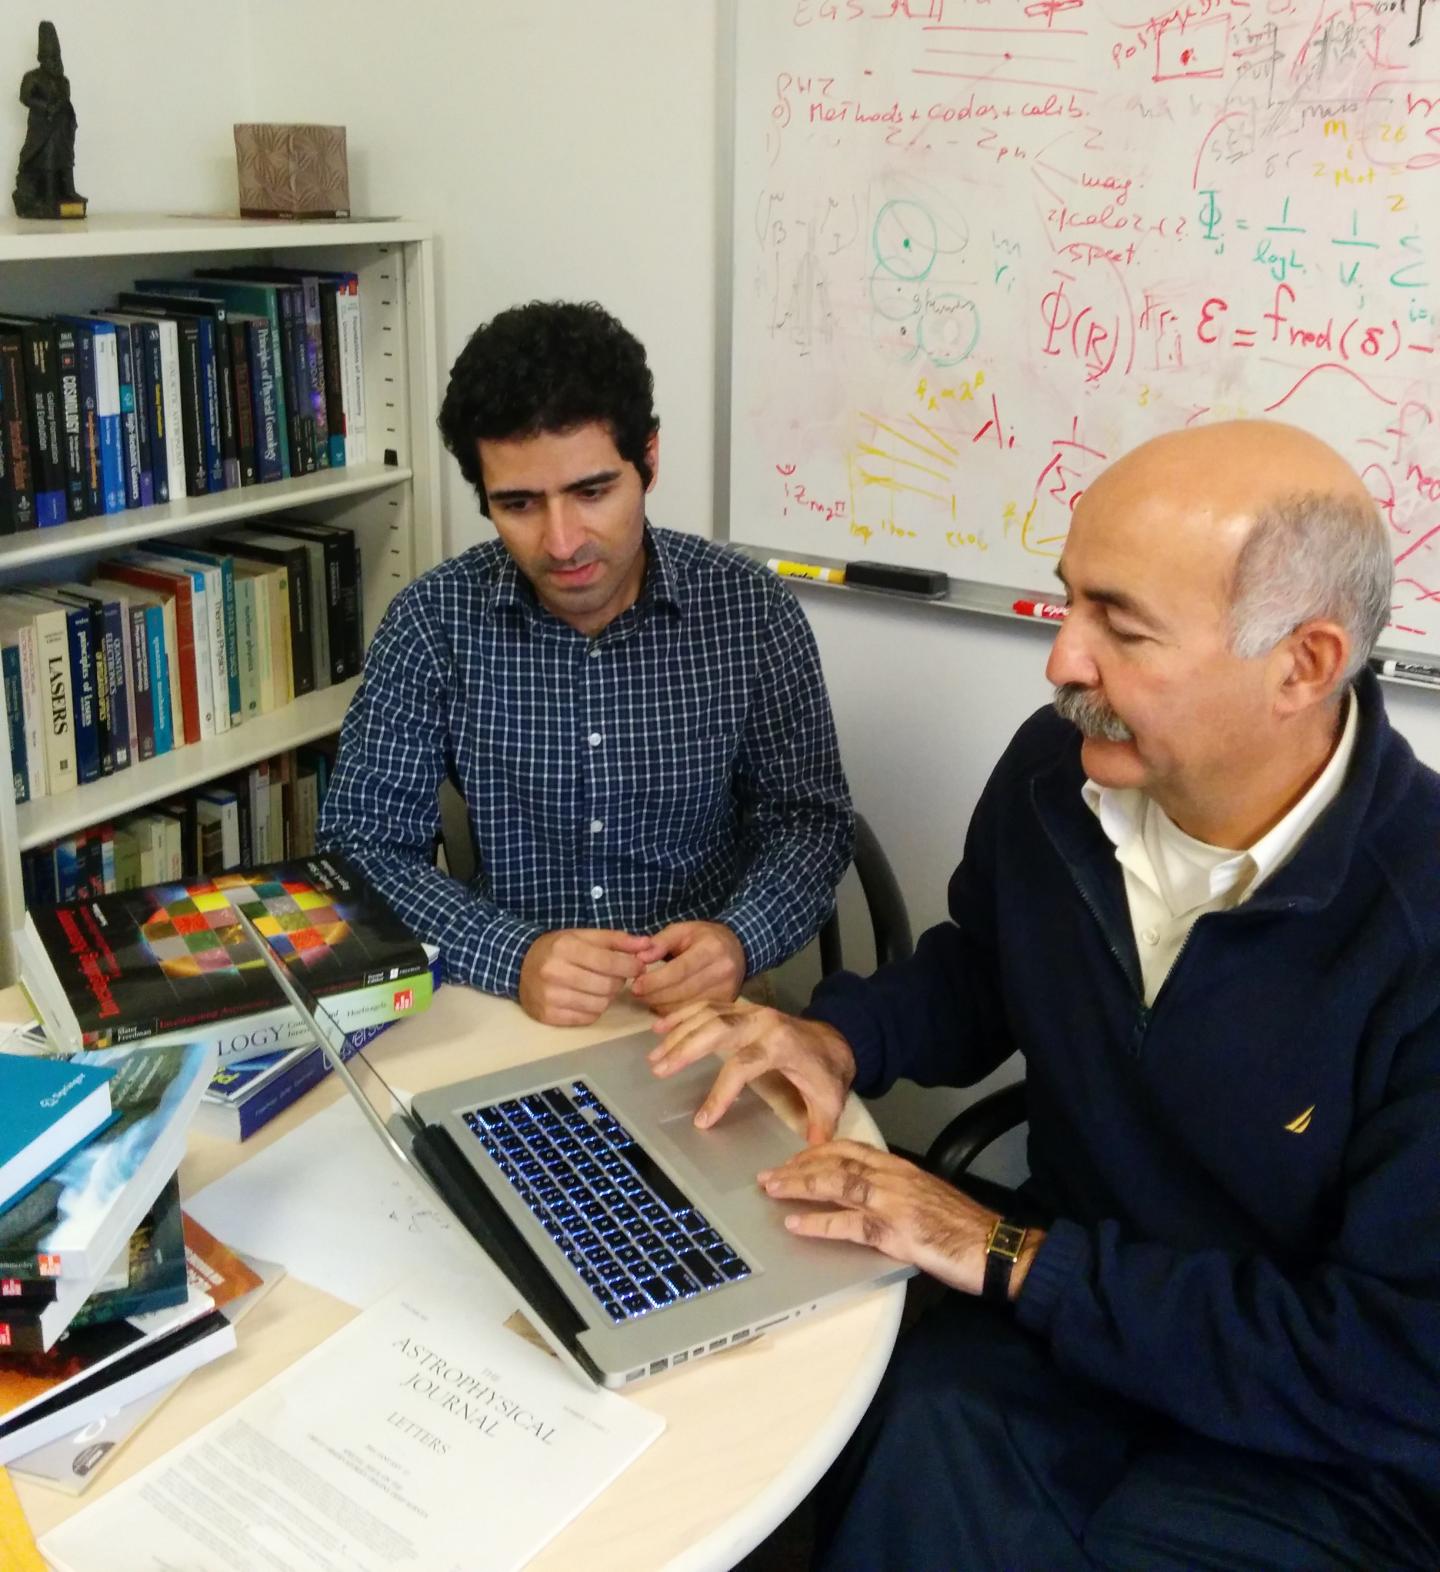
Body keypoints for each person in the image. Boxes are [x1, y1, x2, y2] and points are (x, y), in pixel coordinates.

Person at [649, 420, 1440, 1570]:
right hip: (1062, 1340)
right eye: (1068, 601)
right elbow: (987, 967)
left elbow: (1388, 1362)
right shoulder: (1054, 774)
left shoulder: (1418, 927)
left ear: (1304, 665)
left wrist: (1014, 1253)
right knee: (879, 1454)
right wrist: (835, 1038)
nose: (1063, 661)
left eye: (1121, 626)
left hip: (1314, 1442)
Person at [318, 300, 853, 1026]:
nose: (563, 541)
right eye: (519, 505)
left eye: (592, 492)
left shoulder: (751, 612)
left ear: (650, 460)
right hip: (508, 1000)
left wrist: (738, 940)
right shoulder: (433, 622)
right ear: (484, 497)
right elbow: (361, 847)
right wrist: (513, 955)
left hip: (705, 1005)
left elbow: (809, 821)